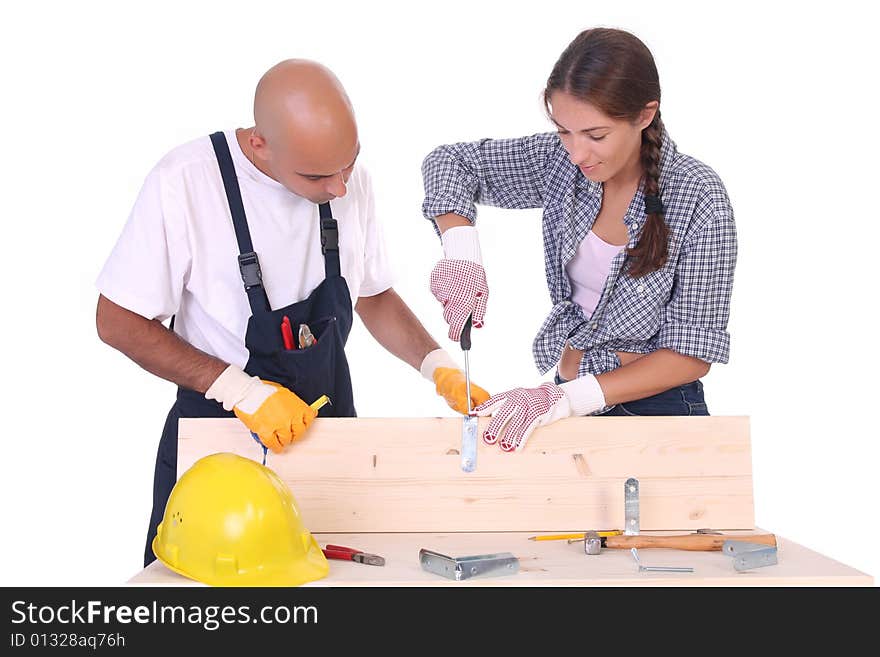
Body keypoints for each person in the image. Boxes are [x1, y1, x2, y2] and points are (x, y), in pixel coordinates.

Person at [96, 59, 489, 567]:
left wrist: (437, 366)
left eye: (350, 164)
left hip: (328, 442)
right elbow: (117, 319)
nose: (341, 188)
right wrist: (244, 392)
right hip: (220, 450)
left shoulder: (347, 179)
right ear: (260, 144)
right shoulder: (185, 183)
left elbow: (372, 295)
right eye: (319, 174)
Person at [422, 28, 737, 452]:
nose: (576, 153)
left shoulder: (698, 197)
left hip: (658, 412)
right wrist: (461, 251)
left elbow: (692, 352)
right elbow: (450, 162)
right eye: (564, 130)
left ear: (645, 116)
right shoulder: (559, 162)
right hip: (565, 402)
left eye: (595, 135)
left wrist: (568, 399)